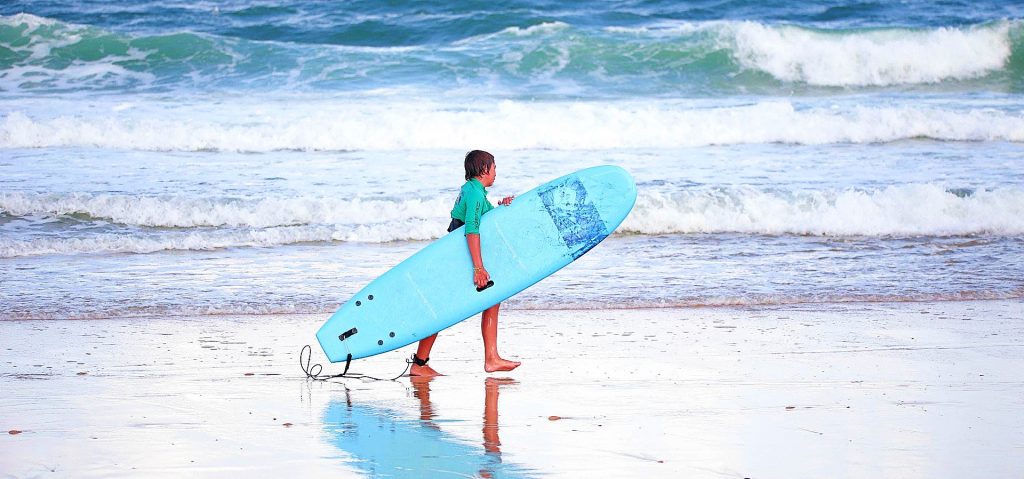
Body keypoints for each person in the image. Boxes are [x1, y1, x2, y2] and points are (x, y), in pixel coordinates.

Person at [409, 150, 521, 376]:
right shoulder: (475, 195)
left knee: (492, 298)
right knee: (442, 308)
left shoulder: (472, 190)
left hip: (456, 254)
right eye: (494, 167)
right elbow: (472, 228)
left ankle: (491, 358)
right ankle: (420, 365)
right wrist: (478, 267)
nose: (496, 172)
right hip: (459, 257)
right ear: (484, 169)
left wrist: (501, 206)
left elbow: (484, 218)